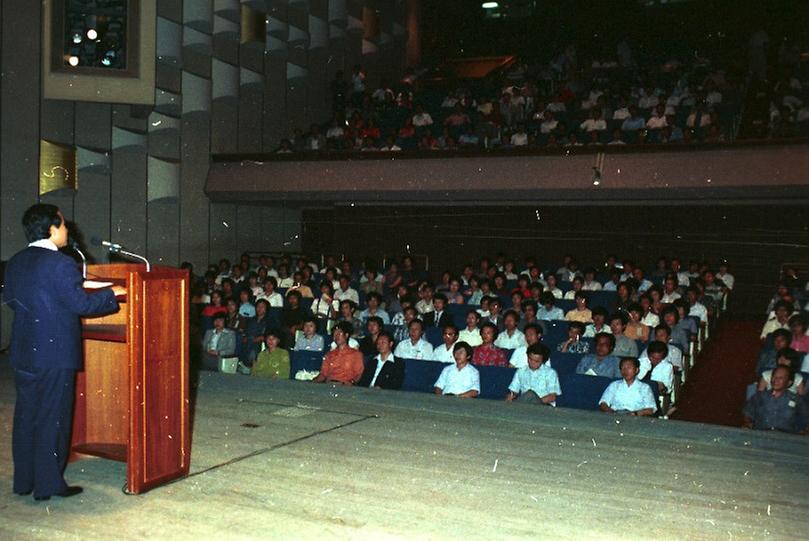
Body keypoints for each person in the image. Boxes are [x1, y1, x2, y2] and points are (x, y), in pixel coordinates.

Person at [3, 204, 124, 500]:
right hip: (54, 354)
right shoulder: (60, 263)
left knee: (26, 415)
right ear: (52, 228)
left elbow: (13, 298)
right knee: (52, 417)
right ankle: (48, 485)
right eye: (64, 225)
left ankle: (24, 481)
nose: (68, 230)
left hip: (23, 351)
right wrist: (112, 295)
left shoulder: (16, 261)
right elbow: (82, 306)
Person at [743, 366, 809, 433]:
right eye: (774, 377)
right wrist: (747, 424)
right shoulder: (759, 396)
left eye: (781, 378)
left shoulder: (796, 399)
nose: (776, 380)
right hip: (762, 435)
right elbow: (747, 414)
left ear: (789, 382)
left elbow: (806, 418)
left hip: (786, 438)